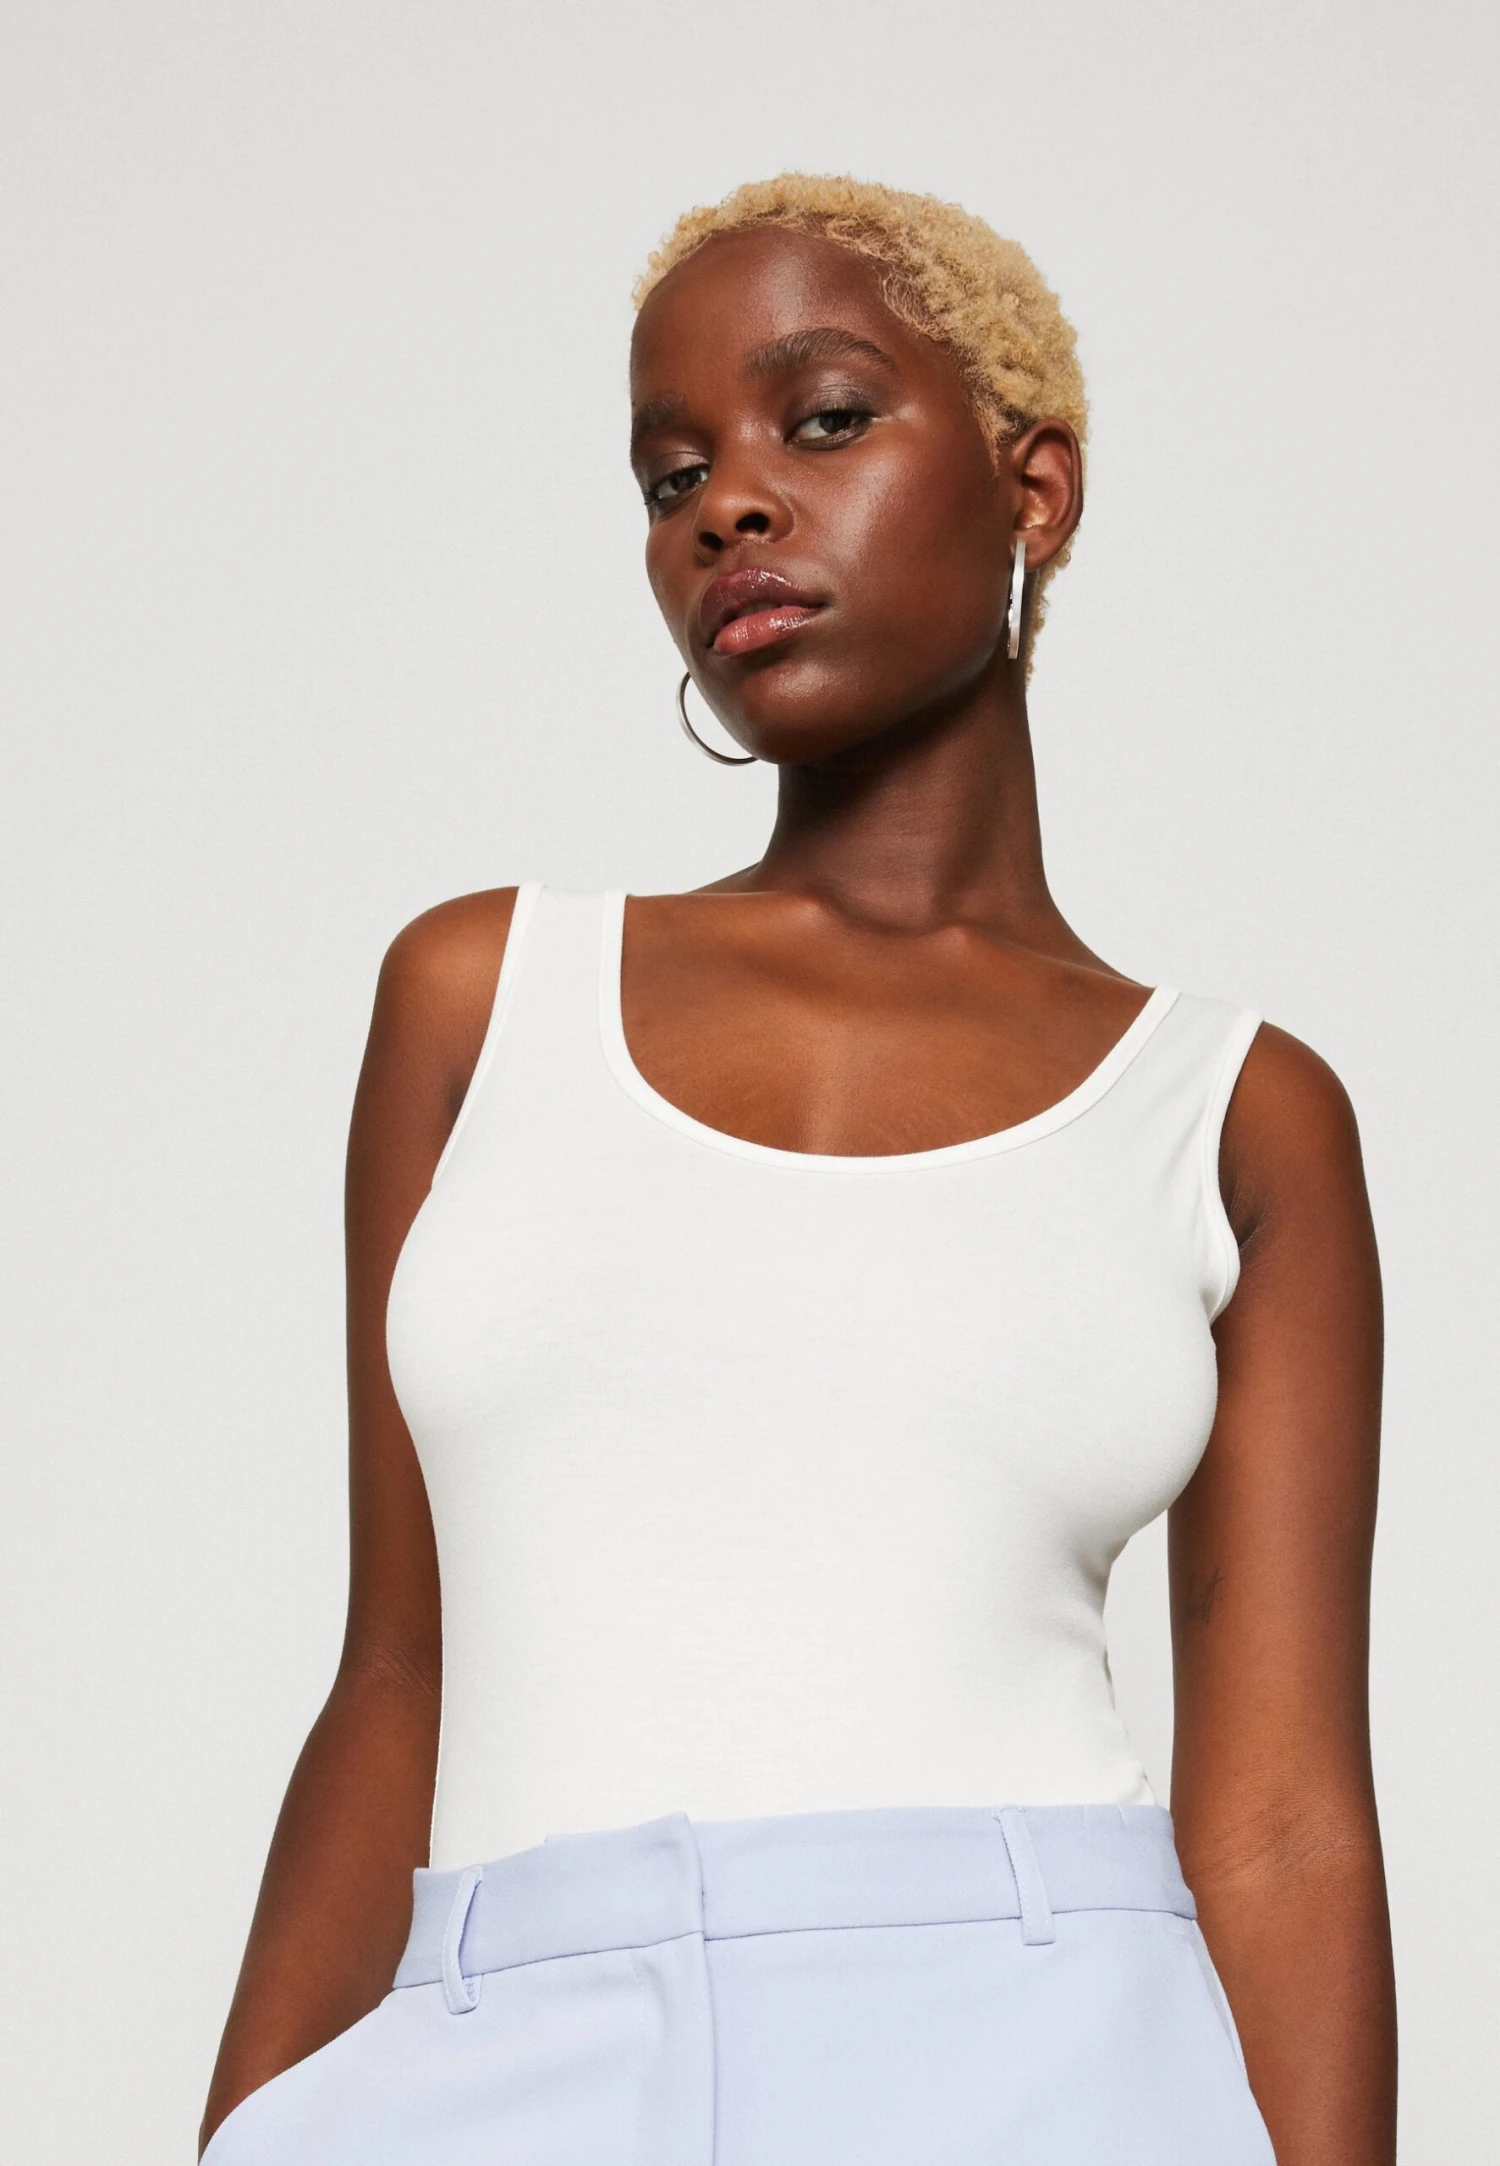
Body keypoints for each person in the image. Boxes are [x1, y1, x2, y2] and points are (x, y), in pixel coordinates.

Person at [199, 175, 1395, 2164]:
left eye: (822, 420)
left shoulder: (1236, 1112)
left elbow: (1282, 1822)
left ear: (1034, 490)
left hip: (1042, 2056)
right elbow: (400, 1669)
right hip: (517, 2039)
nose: (727, 508)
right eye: (672, 476)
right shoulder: (479, 1001)